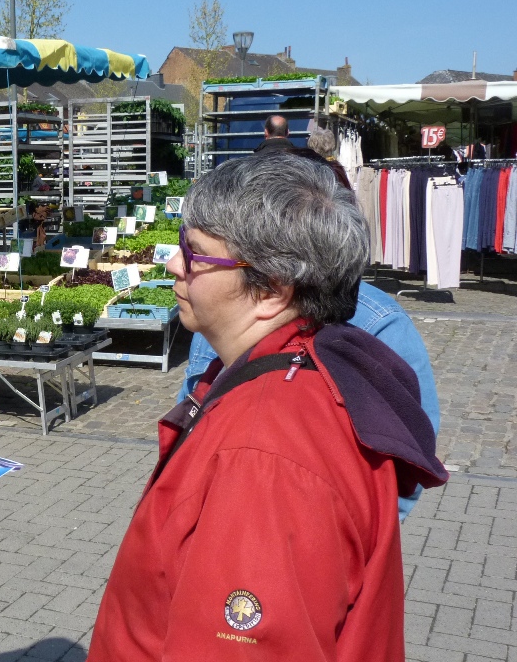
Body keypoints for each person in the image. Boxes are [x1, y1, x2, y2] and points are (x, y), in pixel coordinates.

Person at [87, 153, 446, 662]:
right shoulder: (299, 368)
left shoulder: (263, 455)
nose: (173, 265)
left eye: (195, 254)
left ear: (272, 291)